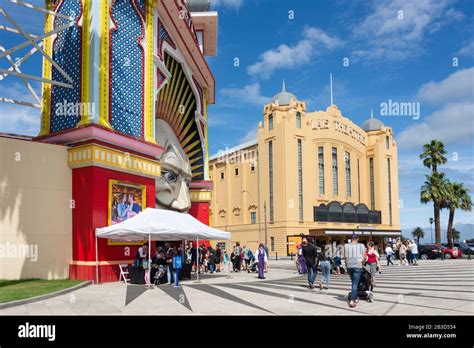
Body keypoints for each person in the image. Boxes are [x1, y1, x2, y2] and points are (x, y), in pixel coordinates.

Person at [344, 234, 367, 308]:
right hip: (357, 266)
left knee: (354, 282)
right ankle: (352, 300)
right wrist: (362, 264)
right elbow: (364, 256)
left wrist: (347, 264)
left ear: (351, 239)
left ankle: (356, 297)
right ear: (357, 239)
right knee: (355, 283)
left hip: (349, 266)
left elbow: (345, 257)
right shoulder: (361, 245)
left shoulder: (346, 245)